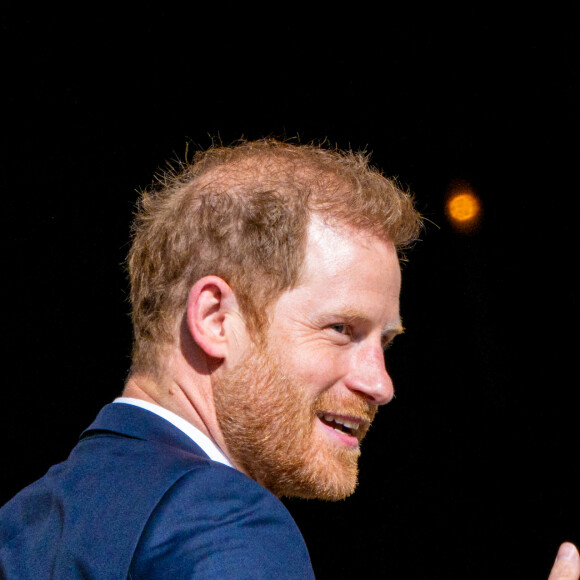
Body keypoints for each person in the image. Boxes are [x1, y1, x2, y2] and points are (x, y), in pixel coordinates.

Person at [0, 140, 578, 579]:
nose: (381, 384)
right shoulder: (222, 520)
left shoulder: (28, 520)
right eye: (340, 329)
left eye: (385, 343)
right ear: (214, 319)